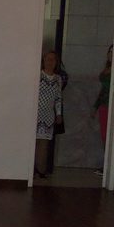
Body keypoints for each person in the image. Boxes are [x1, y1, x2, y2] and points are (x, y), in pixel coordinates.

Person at [35, 49, 63, 179]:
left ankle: (41, 170)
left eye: (53, 60)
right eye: (48, 59)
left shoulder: (58, 79)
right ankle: (31, 170)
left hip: (48, 115)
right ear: (43, 61)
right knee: (34, 143)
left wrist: (59, 114)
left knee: (44, 143)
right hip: (35, 114)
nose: (50, 62)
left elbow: (58, 98)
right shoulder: (38, 75)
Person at [93, 44, 113, 146]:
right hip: (104, 105)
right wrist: (96, 106)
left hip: (111, 104)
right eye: (110, 52)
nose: (111, 54)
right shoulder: (107, 68)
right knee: (104, 135)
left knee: (109, 135)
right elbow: (103, 90)